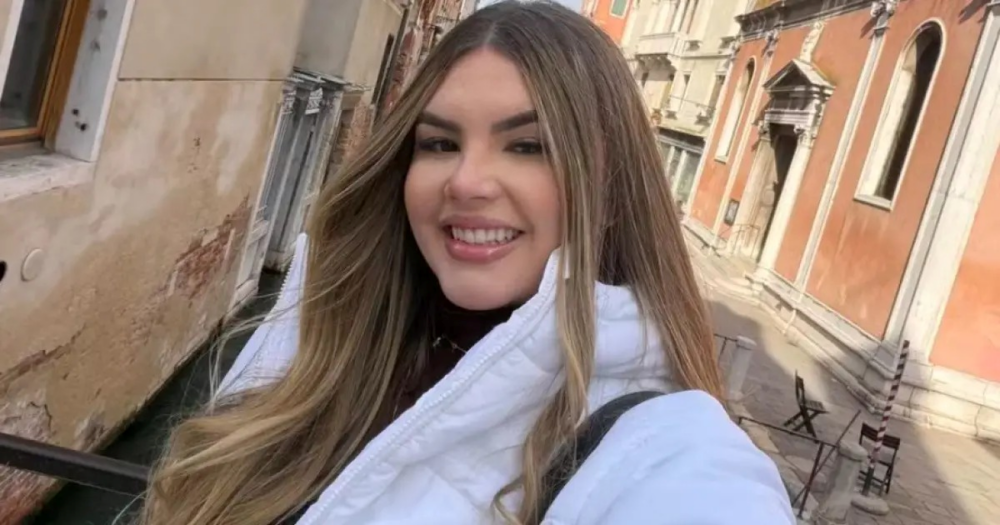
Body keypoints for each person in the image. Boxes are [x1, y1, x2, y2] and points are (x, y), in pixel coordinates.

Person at [142, 2, 794, 524]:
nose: (466, 181)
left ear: (612, 185)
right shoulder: (323, 317)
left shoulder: (668, 449)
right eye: (439, 143)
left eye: (529, 146)